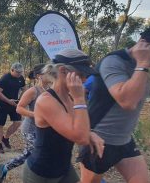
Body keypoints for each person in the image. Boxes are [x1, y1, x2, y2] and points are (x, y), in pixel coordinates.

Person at [79, 26, 150, 183]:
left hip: (124, 141)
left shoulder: (141, 68)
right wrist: (143, 62)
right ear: (143, 43)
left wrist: (143, 65)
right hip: (100, 140)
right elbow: (127, 101)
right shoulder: (114, 61)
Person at [23, 49, 96, 183]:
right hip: (42, 174)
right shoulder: (46, 100)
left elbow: (77, 126)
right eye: (81, 74)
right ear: (63, 71)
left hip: (64, 168)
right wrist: (80, 99)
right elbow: (81, 138)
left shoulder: (70, 97)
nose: (85, 79)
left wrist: (91, 133)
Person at [0, 63, 50, 182]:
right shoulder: (33, 91)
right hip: (30, 129)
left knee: (30, 154)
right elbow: (19, 108)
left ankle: (5, 167)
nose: (51, 75)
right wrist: (36, 115)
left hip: (42, 129)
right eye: (48, 72)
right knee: (36, 154)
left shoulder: (50, 91)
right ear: (39, 76)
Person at [0, 62, 26, 153]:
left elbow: (24, 88)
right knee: (0, 124)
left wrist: (20, 99)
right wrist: (8, 101)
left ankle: (5, 138)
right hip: (3, 103)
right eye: (17, 72)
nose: (19, 74)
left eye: (21, 72)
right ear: (12, 70)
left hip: (15, 104)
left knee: (17, 122)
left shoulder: (20, 78)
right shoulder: (5, 78)